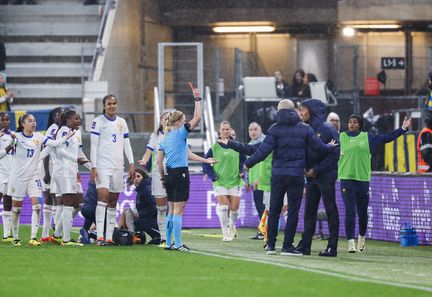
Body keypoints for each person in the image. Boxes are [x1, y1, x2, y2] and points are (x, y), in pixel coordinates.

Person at [243, 99, 336, 256]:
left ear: (279, 112)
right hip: (296, 176)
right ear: (293, 111)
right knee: (293, 211)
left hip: (278, 175)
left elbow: (262, 152)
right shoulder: (305, 128)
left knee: (274, 210)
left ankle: (271, 245)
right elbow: (319, 147)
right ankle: (287, 246)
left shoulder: (274, 129)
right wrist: (330, 146)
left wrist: (247, 164)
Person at [338, 114, 411, 253]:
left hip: (362, 179)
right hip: (346, 179)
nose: (351, 124)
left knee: (362, 212)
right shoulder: (341, 137)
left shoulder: (368, 137)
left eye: (354, 122)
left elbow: (386, 138)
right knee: (349, 211)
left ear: (360, 125)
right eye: (349, 122)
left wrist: (402, 128)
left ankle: (361, 237)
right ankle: (350, 243)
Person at [157, 86, 216, 251]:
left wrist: (205, 160)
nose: (185, 121)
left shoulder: (165, 138)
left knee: (171, 210)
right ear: (177, 122)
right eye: (183, 119)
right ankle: (179, 243)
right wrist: (197, 99)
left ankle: (169, 243)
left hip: (169, 174)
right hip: (181, 174)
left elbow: (160, 161)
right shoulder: (180, 133)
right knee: (178, 211)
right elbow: (197, 117)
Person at [8, 114, 74, 246]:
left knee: (37, 205)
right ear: (23, 124)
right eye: (30, 121)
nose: (33, 123)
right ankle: (15, 236)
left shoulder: (38, 136)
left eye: (34, 121)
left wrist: (66, 137)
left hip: (33, 176)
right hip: (18, 177)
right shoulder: (17, 137)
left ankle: (33, 237)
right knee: (17, 209)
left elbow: (53, 144)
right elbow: (11, 145)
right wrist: (12, 140)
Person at [295, 99, 340, 257]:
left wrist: (317, 169)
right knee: (309, 211)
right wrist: (306, 169)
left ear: (312, 110)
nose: (300, 113)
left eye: (303, 109)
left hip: (326, 176)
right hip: (311, 177)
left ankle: (332, 247)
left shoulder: (327, 129)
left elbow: (335, 154)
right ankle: (305, 246)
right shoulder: (305, 128)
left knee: (330, 209)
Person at [90, 94, 135, 246]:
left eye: (114, 103)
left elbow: (127, 144)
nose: (112, 106)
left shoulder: (122, 122)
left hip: (118, 166)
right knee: (102, 196)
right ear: (104, 106)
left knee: (113, 201)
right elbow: (94, 146)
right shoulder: (98, 122)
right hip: (102, 165)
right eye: (109, 104)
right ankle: (100, 237)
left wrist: (132, 163)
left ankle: (109, 237)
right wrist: (93, 166)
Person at [50, 110, 89, 245]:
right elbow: (60, 152)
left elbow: (79, 154)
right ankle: (65, 239)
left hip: (71, 171)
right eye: (76, 118)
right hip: (63, 171)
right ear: (68, 120)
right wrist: (75, 160)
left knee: (78, 203)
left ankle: (56, 234)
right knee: (68, 203)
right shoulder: (63, 131)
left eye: (79, 118)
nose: (79, 121)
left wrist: (93, 169)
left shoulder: (76, 133)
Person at [203, 121, 246, 241]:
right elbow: (205, 162)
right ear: (219, 131)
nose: (226, 131)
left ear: (230, 130)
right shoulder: (214, 147)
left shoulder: (237, 145)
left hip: (235, 181)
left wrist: (241, 171)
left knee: (234, 209)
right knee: (223, 207)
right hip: (219, 181)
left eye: (228, 129)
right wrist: (212, 176)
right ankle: (225, 232)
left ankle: (232, 225)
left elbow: (243, 161)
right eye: (223, 129)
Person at [138, 111, 169, 245]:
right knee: (161, 208)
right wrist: (144, 160)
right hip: (158, 175)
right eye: (165, 119)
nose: (167, 121)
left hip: (174, 174)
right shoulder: (155, 136)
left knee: (173, 207)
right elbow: (148, 152)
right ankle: (163, 238)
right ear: (161, 120)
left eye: (169, 119)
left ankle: (173, 236)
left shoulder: (176, 135)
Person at [119, 168, 161, 244]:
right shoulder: (142, 189)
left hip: (155, 222)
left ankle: (129, 235)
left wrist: (140, 218)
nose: (136, 179)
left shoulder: (146, 190)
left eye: (138, 176)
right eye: (134, 177)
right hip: (150, 220)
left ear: (143, 177)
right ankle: (126, 234)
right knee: (127, 211)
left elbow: (155, 209)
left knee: (129, 213)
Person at [40, 107, 62, 243]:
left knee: (54, 199)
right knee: (51, 198)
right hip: (48, 167)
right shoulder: (53, 128)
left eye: (61, 113)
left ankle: (49, 233)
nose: (59, 116)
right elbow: (46, 151)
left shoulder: (65, 129)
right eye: (56, 114)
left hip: (57, 168)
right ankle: (48, 233)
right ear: (53, 117)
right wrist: (47, 172)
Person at [244, 122, 265, 240]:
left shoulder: (265, 143)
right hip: (254, 182)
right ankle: (263, 231)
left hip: (263, 181)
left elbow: (265, 164)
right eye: (251, 130)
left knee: (264, 207)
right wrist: (247, 180)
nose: (253, 132)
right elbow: (248, 165)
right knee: (259, 206)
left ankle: (266, 231)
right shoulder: (250, 145)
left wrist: (259, 178)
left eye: (255, 129)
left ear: (261, 130)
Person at [0, 113, 14, 241]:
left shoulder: (13, 135)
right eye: (3, 120)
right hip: (0, 174)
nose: (6, 122)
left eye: (7, 119)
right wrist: (9, 147)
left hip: (11, 174)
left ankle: (6, 235)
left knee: (8, 202)